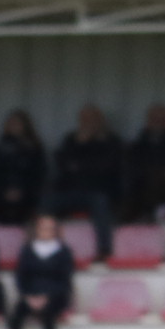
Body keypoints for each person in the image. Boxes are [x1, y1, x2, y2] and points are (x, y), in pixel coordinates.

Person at [48, 105, 123, 259]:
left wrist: (81, 164)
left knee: (101, 204)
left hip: (98, 191)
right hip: (71, 190)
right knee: (46, 202)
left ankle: (104, 250)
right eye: (84, 120)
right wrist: (81, 146)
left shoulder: (111, 141)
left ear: (100, 121)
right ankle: (39, 245)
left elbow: (107, 167)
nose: (88, 123)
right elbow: (63, 163)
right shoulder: (71, 139)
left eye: (92, 119)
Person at [9, 213, 74, 329]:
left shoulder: (63, 251)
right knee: (15, 316)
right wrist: (28, 296)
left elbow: (65, 280)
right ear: (36, 230)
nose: (46, 232)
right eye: (43, 228)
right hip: (31, 294)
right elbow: (21, 276)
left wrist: (47, 297)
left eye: (50, 229)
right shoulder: (28, 250)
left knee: (49, 314)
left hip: (55, 295)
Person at [0, 110, 45, 226]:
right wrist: (5, 190)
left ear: (25, 126)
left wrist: (21, 190)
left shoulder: (34, 147)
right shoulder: (0, 147)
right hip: (2, 192)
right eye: (11, 123)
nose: (14, 126)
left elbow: (38, 174)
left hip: (26, 191)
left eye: (17, 123)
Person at [129, 103, 165, 221]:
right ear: (148, 120)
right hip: (141, 189)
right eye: (155, 119)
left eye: (162, 119)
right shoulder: (137, 146)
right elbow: (130, 169)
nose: (158, 122)